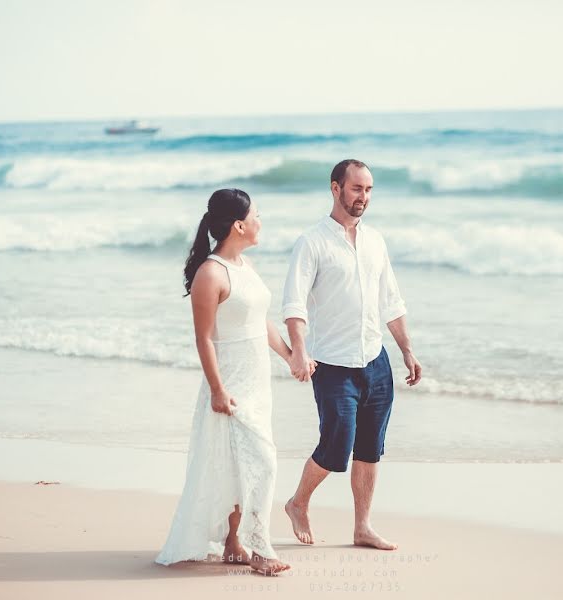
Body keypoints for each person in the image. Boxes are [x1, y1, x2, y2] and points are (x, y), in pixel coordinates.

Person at [282, 159, 422, 550]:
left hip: (375, 361)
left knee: (370, 448)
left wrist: (407, 350)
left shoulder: (376, 241)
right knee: (336, 445)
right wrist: (298, 351)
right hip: (332, 364)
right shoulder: (312, 242)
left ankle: (362, 527)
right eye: (357, 188)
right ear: (336, 188)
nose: (364, 197)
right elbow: (294, 304)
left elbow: (391, 301)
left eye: (369, 190)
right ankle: (297, 502)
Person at [155, 188, 295, 575]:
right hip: (229, 383)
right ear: (238, 225)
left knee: (237, 466)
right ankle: (262, 550)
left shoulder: (245, 267)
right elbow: (203, 338)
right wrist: (217, 389)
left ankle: (234, 544)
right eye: (256, 216)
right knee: (263, 462)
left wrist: (287, 354)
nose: (260, 222)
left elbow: (259, 319)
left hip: (257, 382)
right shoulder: (211, 273)